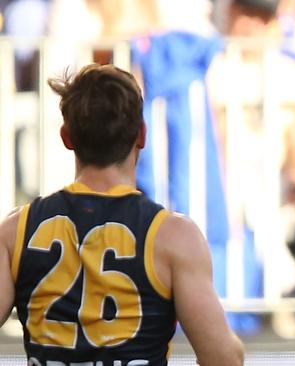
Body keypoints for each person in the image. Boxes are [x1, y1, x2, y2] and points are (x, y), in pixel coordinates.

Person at [0, 64, 244, 365]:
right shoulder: (173, 236)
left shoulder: (16, 229)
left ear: (67, 137)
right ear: (141, 135)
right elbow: (223, 356)